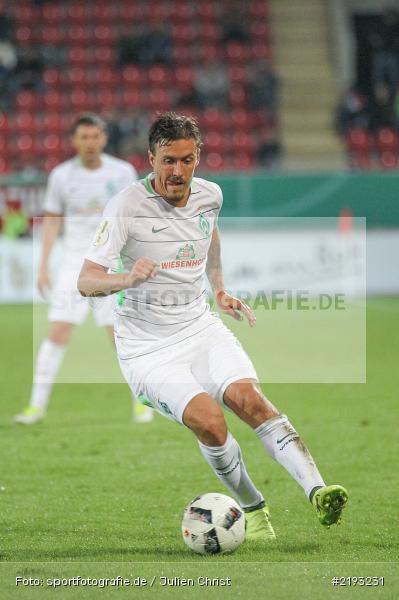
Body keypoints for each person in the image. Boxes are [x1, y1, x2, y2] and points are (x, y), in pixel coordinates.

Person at [78, 112, 348, 540]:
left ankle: (318, 491)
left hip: (201, 328)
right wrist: (126, 279)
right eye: (168, 161)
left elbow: (210, 237)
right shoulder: (126, 207)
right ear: (151, 158)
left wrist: (219, 288)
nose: (178, 172)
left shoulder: (210, 196)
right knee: (210, 421)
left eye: (186, 160)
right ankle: (254, 509)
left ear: (198, 157)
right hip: (148, 350)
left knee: (253, 402)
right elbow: (86, 280)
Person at [15, 113, 153, 425]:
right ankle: (36, 406)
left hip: (110, 266)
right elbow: (52, 222)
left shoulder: (122, 172)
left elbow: (134, 219)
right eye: (84, 137)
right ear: (74, 140)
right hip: (72, 267)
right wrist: (43, 267)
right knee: (58, 331)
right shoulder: (61, 176)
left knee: (119, 336)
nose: (90, 142)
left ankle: (142, 402)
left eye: (95, 136)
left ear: (104, 138)